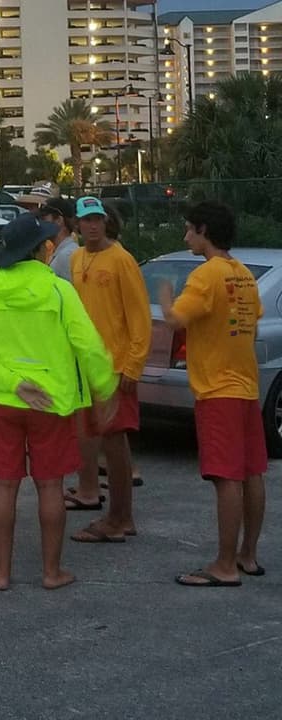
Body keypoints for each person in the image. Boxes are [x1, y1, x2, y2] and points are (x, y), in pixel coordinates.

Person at [0, 213, 118, 591]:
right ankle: (51, 572)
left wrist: (13, 383)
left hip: (1, 401)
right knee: (50, 486)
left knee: (3, 486)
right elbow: (89, 345)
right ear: (39, 250)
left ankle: (1, 573)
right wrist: (105, 388)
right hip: (53, 401)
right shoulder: (59, 291)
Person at [159, 202, 267, 587]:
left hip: (217, 390)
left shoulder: (206, 276)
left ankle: (223, 565)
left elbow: (175, 320)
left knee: (226, 478)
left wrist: (166, 295)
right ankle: (247, 556)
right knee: (251, 473)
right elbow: (252, 329)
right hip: (246, 387)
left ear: (204, 230)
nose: (186, 236)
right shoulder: (244, 275)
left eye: (189, 229)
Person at [66, 196, 150, 544]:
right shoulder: (76, 258)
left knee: (115, 444)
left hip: (115, 369)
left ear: (107, 221)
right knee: (100, 441)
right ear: (78, 224)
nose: (93, 225)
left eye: (98, 219)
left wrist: (132, 366)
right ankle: (116, 515)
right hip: (87, 367)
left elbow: (140, 319)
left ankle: (120, 518)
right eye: (86, 220)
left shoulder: (122, 260)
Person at [40, 197, 79, 283]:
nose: (41, 223)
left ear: (59, 220)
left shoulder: (66, 255)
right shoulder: (61, 251)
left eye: (44, 219)